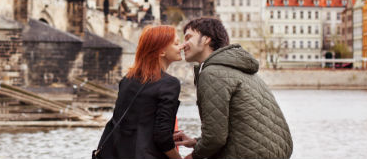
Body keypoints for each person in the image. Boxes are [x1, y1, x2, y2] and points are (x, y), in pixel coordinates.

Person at [173, 17, 293, 159]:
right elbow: (239, 128)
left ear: (206, 39)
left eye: (188, 38)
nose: (183, 44)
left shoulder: (212, 73)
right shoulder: (242, 71)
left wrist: (194, 155)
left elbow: (216, 138)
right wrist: (196, 142)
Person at [95, 25, 183, 159]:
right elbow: (162, 137)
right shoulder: (170, 84)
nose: (181, 47)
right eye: (176, 43)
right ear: (161, 52)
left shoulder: (127, 79)